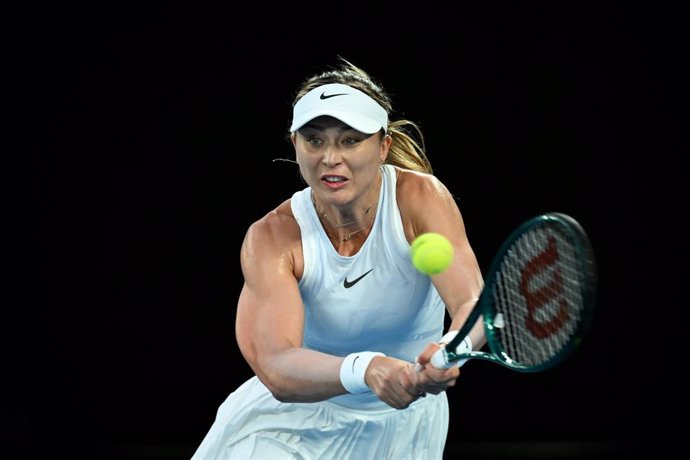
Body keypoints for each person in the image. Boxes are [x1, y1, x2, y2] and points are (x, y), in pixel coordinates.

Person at [192, 58, 486, 460]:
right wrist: (366, 368)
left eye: (350, 140)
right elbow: (277, 364)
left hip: (403, 431)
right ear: (294, 144)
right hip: (290, 423)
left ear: (383, 146)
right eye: (314, 140)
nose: (330, 157)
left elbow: (472, 305)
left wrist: (450, 349)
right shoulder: (272, 237)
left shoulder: (420, 199)